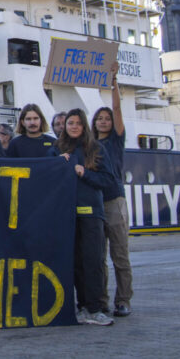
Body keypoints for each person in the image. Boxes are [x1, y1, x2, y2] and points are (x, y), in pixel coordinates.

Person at [57, 108, 117, 327]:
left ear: (84, 126)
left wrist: (85, 173)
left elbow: (108, 180)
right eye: (69, 123)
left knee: (93, 261)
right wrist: (57, 163)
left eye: (77, 123)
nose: (73, 126)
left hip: (92, 214)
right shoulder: (58, 149)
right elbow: (43, 173)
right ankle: (82, 307)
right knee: (75, 263)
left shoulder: (96, 148)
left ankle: (95, 307)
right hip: (67, 215)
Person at [94, 66, 133, 318]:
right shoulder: (89, 143)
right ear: (94, 122)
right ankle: (102, 300)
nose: (104, 121)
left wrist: (113, 82)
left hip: (114, 201)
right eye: (100, 118)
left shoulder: (116, 140)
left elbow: (117, 109)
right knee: (98, 258)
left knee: (119, 254)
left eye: (107, 118)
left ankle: (123, 300)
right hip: (96, 201)